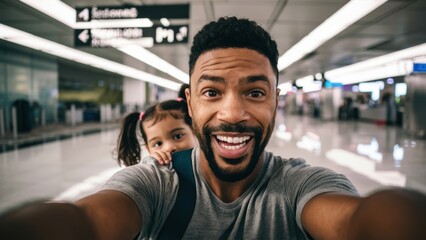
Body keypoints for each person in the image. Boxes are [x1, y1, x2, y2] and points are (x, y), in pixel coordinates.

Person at [1, 16, 426, 240]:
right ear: (189, 103)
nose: (232, 113)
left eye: (256, 93)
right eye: (211, 92)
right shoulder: (155, 184)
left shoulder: (303, 186)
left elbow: (359, 223)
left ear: (277, 102)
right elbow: (87, 224)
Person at [115, 84, 196, 166]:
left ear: (195, 131)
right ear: (148, 149)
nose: (169, 148)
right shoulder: (154, 174)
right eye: (158, 144)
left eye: (178, 136)